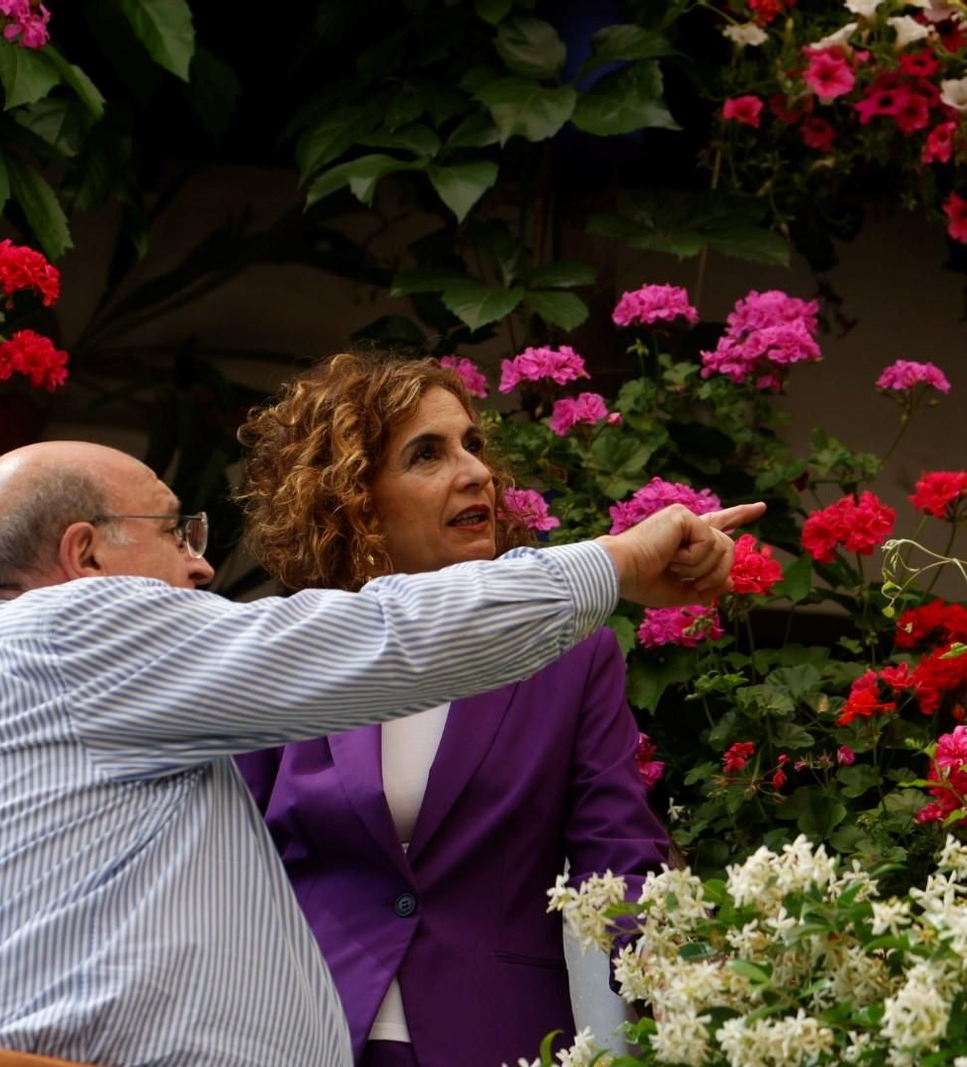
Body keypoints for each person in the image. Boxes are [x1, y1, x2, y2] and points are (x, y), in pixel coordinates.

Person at [0, 438, 760, 1067]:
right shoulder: (71, 628)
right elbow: (384, 638)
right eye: (178, 531)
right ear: (84, 553)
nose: (202, 567)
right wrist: (614, 565)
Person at [233, 353, 669, 1067]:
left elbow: (617, 856)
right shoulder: (292, 650)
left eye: (471, 444)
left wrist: (683, 988)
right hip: (305, 1034)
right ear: (355, 497)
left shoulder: (571, 655)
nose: (475, 472)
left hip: (498, 1037)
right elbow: (229, 866)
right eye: (427, 454)